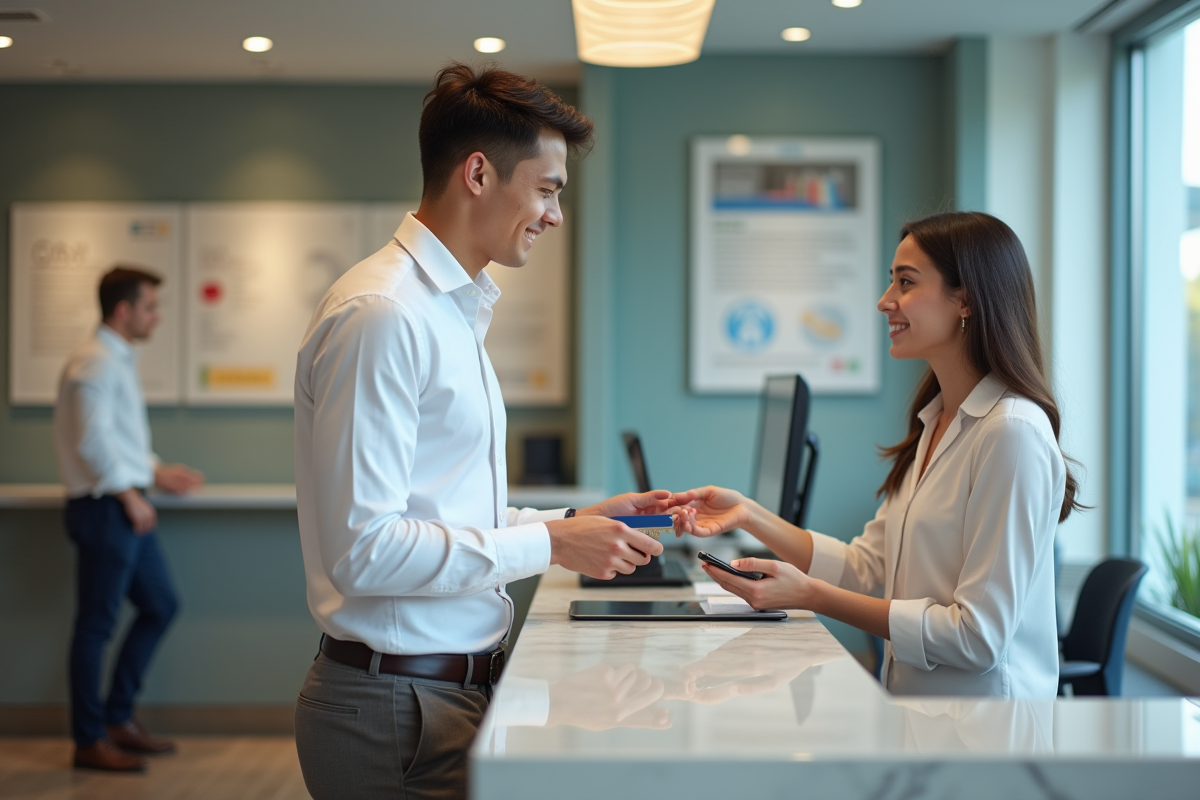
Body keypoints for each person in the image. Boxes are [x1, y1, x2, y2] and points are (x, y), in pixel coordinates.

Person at [292, 63, 689, 800]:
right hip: (394, 712)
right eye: (547, 189)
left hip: (442, 696)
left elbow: (440, 518)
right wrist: (550, 544)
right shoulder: (384, 314)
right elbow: (366, 551)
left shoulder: (448, 310)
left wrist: (572, 523)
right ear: (478, 173)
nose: (555, 214)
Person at [675, 211, 1081, 699]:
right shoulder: (936, 422)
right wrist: (749, 515)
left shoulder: (1011, 433)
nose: (885, 302)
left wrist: (809, 595)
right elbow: (866, 568)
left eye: (905, 283)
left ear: (966, 300)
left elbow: (977, 639)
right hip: (919, 718)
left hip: (985, 735)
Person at [52, 266, 205, 772]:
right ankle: (88, 738)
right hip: (105, 508)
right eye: (150, 307)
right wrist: (128, 493)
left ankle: (117, 718)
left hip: (123, 504)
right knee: (95, 626)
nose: (156, 318)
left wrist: (157, 472)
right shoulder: (93, 362)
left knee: (161, 605)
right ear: (124, 310)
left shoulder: (113, 358)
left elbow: (117, 438)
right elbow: (92, 440)